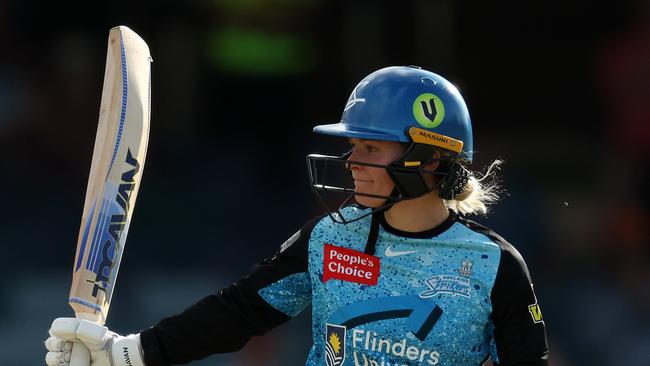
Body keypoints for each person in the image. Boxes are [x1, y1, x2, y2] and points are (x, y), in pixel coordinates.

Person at [45, 66, 549, 366]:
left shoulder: (493, 264)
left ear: (432, 159)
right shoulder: (330, 237)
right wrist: (130, 353)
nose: (352, 161)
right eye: (352, 146)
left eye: (370, 147)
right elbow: (240, 312)